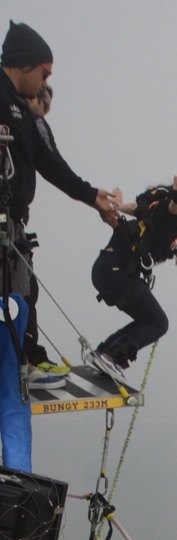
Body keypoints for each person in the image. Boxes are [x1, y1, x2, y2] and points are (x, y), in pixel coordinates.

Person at [0, 20, 117, 471]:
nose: (47, 81)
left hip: (11, 240)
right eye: (45, 73)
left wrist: (92, 196)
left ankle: (17, 481)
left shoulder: (21, 113)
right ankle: (18, 488)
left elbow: (50, 164)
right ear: (26, 64)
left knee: (12, 370)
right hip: (5, 243)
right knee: (9, 378)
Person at [88, 170, 177, 382]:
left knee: (148, 319)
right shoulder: (176, 209)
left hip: (107, 269)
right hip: (117, 272)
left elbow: (137, 208)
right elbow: (174, 210)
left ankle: (103, 354)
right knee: (158, 323)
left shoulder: (158, 199)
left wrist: (118, 206)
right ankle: (109, 355)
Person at [23, 83, 68, 386]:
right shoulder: (31, 125)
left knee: (27, 291)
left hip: (15, 225)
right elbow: (54, 166)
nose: (44, 111)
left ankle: (28, 358)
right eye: (42, 103)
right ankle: (30, 360)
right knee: (24, 293)